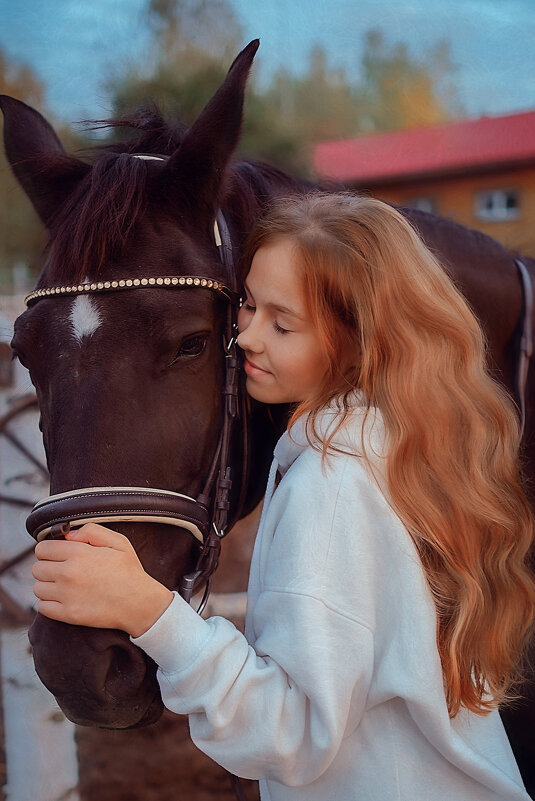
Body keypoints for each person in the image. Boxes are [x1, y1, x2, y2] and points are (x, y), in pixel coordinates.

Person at [32, 193, 535, 800]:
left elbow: (292, 736)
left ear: (359, 341)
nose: (245, 337)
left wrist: (148, 611)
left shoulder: (333, 485)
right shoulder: (397, 447)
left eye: (283, 323)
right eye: (247, 304)